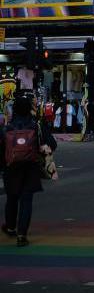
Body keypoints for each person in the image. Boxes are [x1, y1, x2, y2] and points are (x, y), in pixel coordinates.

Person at [1, 94, 58, 247]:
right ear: (29, 109)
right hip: (31, 166)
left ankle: (11, 227)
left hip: (11, 167)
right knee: (26, 200)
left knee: (12, 198)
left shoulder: (7, 128)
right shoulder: (36, 126)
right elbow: (52, 143)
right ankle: (22, 234)